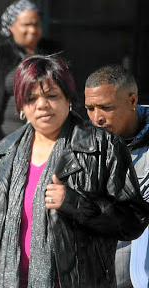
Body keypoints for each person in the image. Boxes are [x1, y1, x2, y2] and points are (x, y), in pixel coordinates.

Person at [0, 54, 149, 288]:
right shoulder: (3, 153)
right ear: (20, 105)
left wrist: (77, 204)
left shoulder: (103, 147)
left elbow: (133, 220)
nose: (42, 105)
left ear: (68, 98)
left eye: (51, 96)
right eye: (31, 98)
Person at [0, 0, 58, 174]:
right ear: (11, 27)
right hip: (5, 135)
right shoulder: (0, 55)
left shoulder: (50, 53)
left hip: (45, 134)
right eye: (26, 24)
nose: (32, 29)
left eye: (36, 24)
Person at [84, 64, 149, 288]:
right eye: (90, 108)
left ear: (132, 101)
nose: (96, 118)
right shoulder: (81, 147)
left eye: (105, 107)